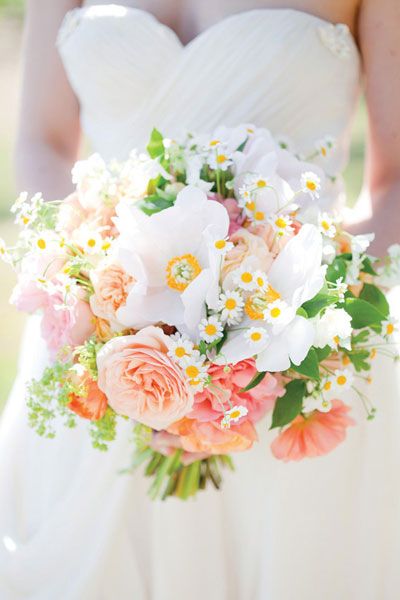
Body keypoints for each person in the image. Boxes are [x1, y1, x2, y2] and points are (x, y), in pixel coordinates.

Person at [0, 1, 399, 598]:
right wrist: (96, 298)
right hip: (100, 360)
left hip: (304, 365)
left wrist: (278, 334)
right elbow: (44, 140)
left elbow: (395, 177)